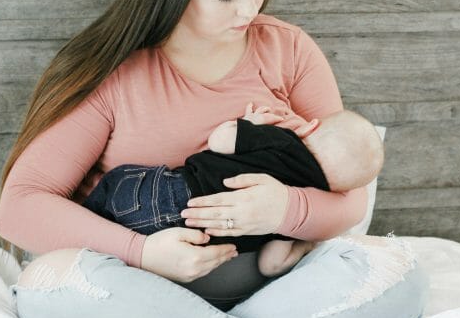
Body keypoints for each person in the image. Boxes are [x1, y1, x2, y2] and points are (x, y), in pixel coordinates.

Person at [0, 0, 428, 318]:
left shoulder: (288, 51)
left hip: (276, 293)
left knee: (398, 271)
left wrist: (284, 208)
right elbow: (20, 207)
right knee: (50, 283)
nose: (250, 8)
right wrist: (144, 254)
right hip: (138, 293)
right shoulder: (113, 70)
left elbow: (349, 200)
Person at [80, 103, 385, 279]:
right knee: (110, 264)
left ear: (311, 127)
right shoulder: (295, 207)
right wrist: (305, 245)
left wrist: (249, 124)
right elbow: (270, 265)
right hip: (181, 235)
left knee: (97, 211)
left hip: (160, 187)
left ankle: (78, 237)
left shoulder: (281, 139)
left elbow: (220, 142)